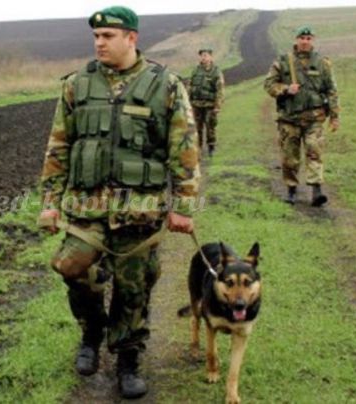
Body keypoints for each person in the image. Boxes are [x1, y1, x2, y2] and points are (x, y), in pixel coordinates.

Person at [37, 6, 200, 399]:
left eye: (108, 36)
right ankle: (92, 332)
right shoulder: (77, 85)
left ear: (131, 38)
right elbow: (59, 146)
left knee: (134, 287)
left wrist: (183, 206)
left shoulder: (165, 85)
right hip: (87, 206)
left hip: (139, 209)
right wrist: (50, 202)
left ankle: (128, 358)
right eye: (96, 36)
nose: (99, 43)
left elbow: (184, 147)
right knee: (72, 267)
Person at [264, 26, 340, 206]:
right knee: (290, 156)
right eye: (302, 38)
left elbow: (331, 91)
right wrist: (285, 89)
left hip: (315, 118)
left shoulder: (322, 63)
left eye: (308, 38)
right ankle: (291, 189)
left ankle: (316, 190)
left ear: (312, 40)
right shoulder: (283, 62)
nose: (305, 41)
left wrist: (335, 116)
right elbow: (269, 85)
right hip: (289, 119)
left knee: (315, 151)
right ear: (296, 40)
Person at [188, 46, 224, 157]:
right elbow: (190, 86)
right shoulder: (195, 70)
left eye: (205, 55)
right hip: (196, 105)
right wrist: (187, 102)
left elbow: (220, 90)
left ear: (210, 57)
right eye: (201, 55)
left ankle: (211, 147)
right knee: (196, 128)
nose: (203, 58)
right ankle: (197, 149)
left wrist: (217, 106)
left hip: (210, 105)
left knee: (210, 127)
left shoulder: (216, 71)